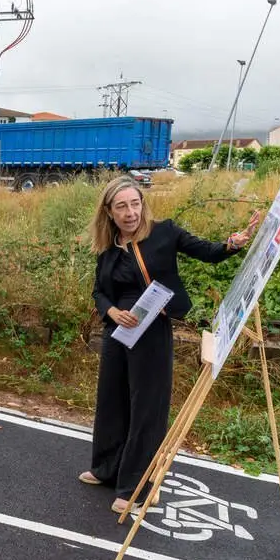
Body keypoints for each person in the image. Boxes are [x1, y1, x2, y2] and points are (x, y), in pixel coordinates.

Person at [80, 175, 259, 514]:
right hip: (119, 332)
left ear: (142, 205)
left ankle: (137, 485)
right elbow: (99, 293)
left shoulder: (164, 232)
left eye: (135, 204)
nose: (131, 212)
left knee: (147, 407)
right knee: (112, 401)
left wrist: (233, 243)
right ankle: (106, 469)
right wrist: (113, 312)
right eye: (122, 206)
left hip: (152, 330)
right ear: (109, 211)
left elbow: (208, 252)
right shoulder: (108, 247)